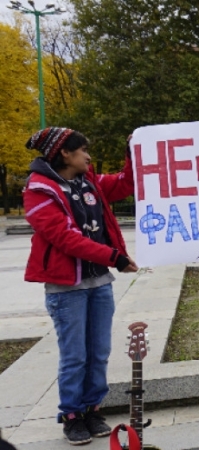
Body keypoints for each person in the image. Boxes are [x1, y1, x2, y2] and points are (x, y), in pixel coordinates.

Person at [23, 127, 138, 445]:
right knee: (75, 355)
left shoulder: (91, 183)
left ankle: (92, 409)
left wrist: (133, 151)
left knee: (99, 351)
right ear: (65, 153)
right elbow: (65, 238)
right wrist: (114, 256)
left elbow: (126, 184)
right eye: (83, 150)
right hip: (66, 288)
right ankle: (72, 416)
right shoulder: (38, 190)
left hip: (99, 282)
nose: (88, 156)